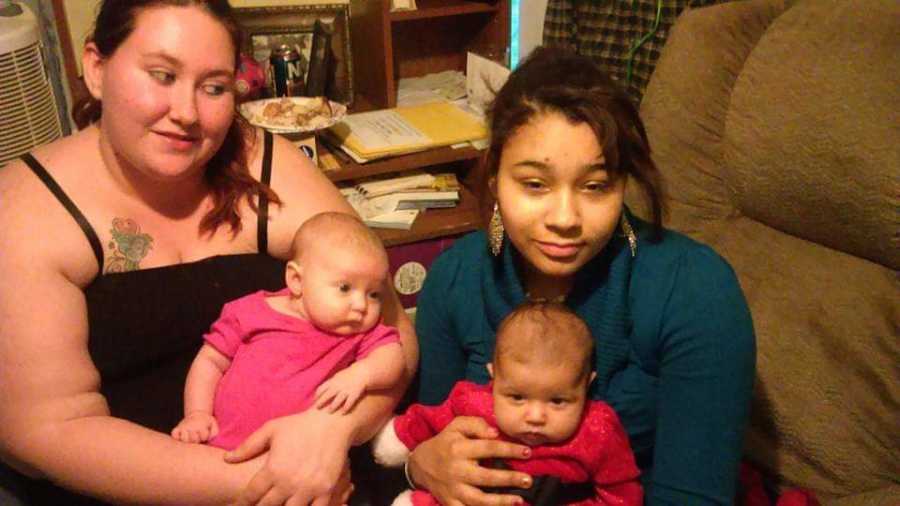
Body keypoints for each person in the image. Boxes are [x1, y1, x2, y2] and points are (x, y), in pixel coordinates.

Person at [0, 1, 416, 505]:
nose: (187, 113)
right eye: (161, 75)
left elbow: (391, 326)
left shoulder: (264, 161)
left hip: (324, 472)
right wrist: (267, 482)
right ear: (96, 66)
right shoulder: (26, 207)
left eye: (214, 87)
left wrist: (330, 431)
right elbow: (48, 430)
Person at [405, 46, 756, 506]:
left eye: (595, 186)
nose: (566, 218)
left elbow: (694, 494)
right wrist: (420, 467)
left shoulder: (697, 292)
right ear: (494, 179)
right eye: (534, 184)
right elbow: (429, 430)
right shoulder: (456, 277)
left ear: (624, 182)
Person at [172, 212, 406, 449]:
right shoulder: (250, 311)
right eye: (345, 288)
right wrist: (197, 413)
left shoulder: (359, 331)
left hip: (300, 456)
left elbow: (394, 360)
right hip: (219, 448)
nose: (361, 305)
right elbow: (210, 362)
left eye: (374, 293)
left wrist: (361, 375)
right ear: (296, 279)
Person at [373, 301, 643, 506]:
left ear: (586, 386)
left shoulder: (598, 430)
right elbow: (428, 420)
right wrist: (398, 437)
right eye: (517, 397)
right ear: (494, 378)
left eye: (558, 401)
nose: (535, 416)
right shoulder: (474, 403)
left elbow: (622, 492)